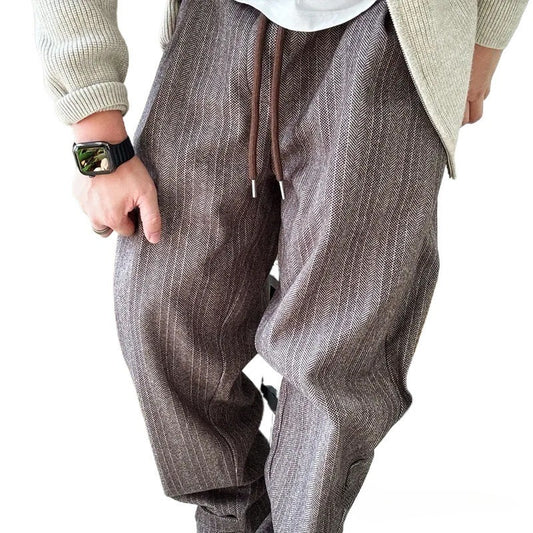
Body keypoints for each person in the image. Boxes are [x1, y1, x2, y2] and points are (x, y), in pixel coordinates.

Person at [30, 1, 528, 532]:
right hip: (216, 25)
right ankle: (231, 517)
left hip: (394, 33)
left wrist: (485, 39)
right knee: (161, 309)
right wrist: (96, 137)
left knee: (336, 350)